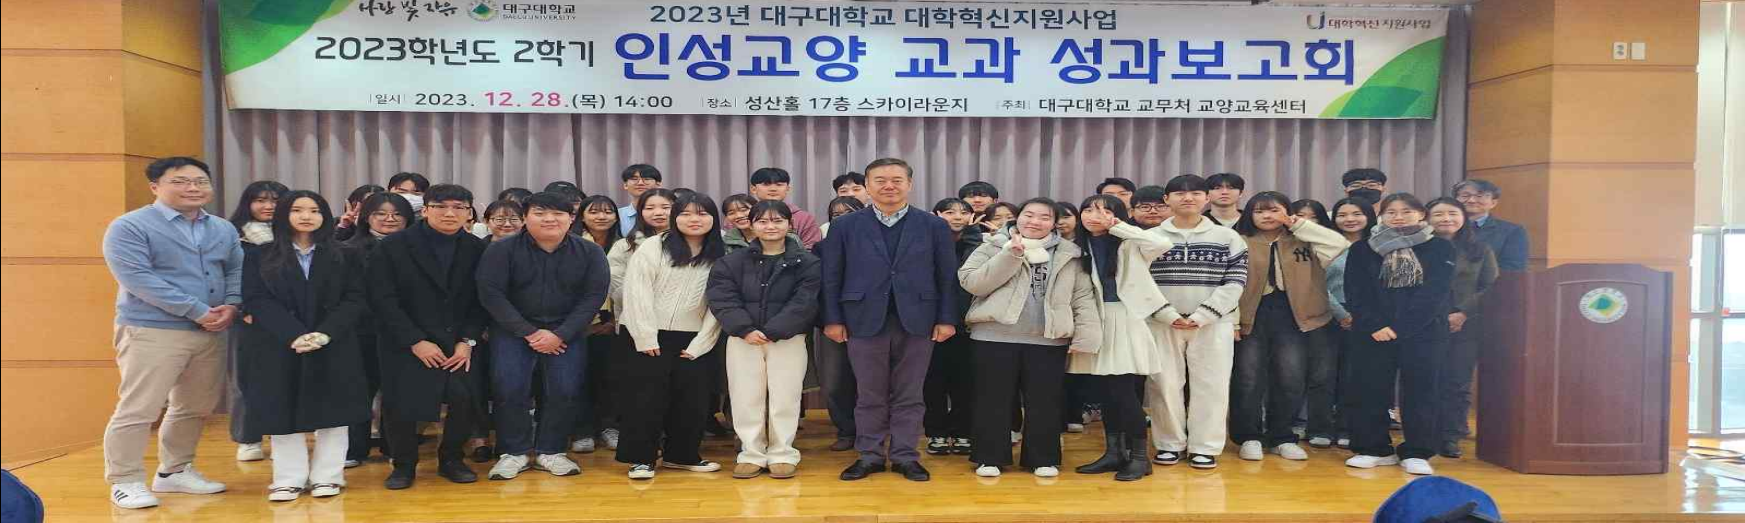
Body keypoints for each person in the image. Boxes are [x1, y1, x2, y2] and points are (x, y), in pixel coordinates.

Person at [100, 157, 240, 509]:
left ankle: (174, 470)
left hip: (210, 331)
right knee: (139, 408)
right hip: (152, 329)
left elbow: (235, 269)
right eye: (180, 181)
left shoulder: (221, 228)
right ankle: (125, 480)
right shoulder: (130, 226)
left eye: (200, 181)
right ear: (155, 187)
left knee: (194, 406)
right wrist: (198, 311)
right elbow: (138, 279)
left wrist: (232, 304)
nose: (193, 188)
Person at [818, 158, 960, 482]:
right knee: (869, 394)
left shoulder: (934, 225)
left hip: (919, 319)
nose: (889, 186)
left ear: (910, 184)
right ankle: (869, 455)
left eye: (897, 179)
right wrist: (832, 319)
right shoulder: (845, 226)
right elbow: (831, 276)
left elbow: (946, 276)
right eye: (880, 180)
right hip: (862, 319)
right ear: (867, 186)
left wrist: (947, 318)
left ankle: (905, 456)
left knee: (910, 393)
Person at [238, 190, 372, 501]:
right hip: (279, 343)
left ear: (325, 216)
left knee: (335, 412)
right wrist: (293, 334)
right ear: (284, 215)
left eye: (314, 210)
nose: (306, 216)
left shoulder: (345, 254)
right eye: (297, 210)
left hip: (333, 342)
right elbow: (256, 298)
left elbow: (356, 298)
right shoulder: (260, 254)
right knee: (282, 408)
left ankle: (328, 476)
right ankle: (288, 479)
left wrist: (325, 333)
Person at [958, 198, 1101, 478]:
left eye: (1044, 217)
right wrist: (1010, 255)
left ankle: (1042, 457)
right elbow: (972, 283)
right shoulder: (992, 245)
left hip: (1049, 339)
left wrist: (1085, 336)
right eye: (1029, 215)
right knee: (992, 400)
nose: (1035, 222)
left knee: (1045, 401)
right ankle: (989, 457)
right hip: (993, 336)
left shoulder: (1070, 253)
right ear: (1018, 217)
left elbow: (1082, 296)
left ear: (1054, 223)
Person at [476, 192, 611, 480]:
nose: (549, 219)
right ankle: (513, 452)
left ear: (571, 218)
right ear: (525, 218)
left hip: (566, 332)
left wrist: (561, 334)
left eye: (558, 213)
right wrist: (530, 332)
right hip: (513, 331)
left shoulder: (590, 252)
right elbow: (491, 294)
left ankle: (552, 450)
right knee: (509, 389)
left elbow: (593, 296)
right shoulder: (501, 250)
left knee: (564, 389)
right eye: (540, 213)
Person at [366, 183, 488, 490]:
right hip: (405, 340)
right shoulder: (394, 246)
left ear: (469, 213)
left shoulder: (477, 248)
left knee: (463, 399)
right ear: (426, 210)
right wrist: (414, 341)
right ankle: (404, 464)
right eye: (441, 206)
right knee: (401, 404)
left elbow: (482, 300)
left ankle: (452, 459)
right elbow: (382, 299)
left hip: (458, 342)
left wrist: (468, 341)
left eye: (459, 207)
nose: (450, 213)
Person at [1230, 192, 1350, 463]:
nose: (1267, 216)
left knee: (1291, 377)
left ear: (1287, 212)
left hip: (1294, 315)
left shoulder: (1304, 239)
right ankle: (1249, 436)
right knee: (1247, 378)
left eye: (1274, 210)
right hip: (1251, 313)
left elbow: (1339, 244)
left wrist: (1297, 224)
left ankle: (1281, 436)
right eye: (1259, 211)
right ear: (1249, 214)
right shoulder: (1238, 240)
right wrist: (1233, 320)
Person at [706, 200, 822, 479]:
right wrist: (744, 328)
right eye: (763, 221)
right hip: (743, 338)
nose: (770, 226)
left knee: (786, 396)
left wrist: (774, 330)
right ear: (752, 224)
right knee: (745, 396)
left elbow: (805, 301)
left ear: (789, 224)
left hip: (788, 339)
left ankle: (783, 453)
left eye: (777, 220)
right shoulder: (731, 261)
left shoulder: (808, 262)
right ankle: (751, 453)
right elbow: (722, 298)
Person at [1343, 193, 1455, 476]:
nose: (1398, 217)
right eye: (1391, 212)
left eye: (1406, 211)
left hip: (1424, 331)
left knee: (1421, 391)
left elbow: (1435, 294)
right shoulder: (1363, 249)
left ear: (1421, 214)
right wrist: (1375, 325)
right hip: (1373, 332)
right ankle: (1373, 448)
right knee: (1369, 389)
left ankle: (1417, 451)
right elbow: (1355, 292)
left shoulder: (1439, 248)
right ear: (1381, 216)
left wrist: (1401, 327)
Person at [1141, 174, 1249, 470]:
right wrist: (1167, 314)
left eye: (1195, 193)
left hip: (1214, 323)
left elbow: (1235, 282)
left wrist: (1203, 315)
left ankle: (1205, 447)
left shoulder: (1228, 237)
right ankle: (1169, 444)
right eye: (1179, 193)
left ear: (1206, 198)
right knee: (1163, 385)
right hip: (1162, 322)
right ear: (1167, 199)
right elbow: (1139, 281)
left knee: (1212, 385)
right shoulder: (1151, 238)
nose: (1187, 198)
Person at [618, 192, 727, 479]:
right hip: (645, 334)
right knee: (645, 399)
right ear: (675, 217)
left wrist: (702, 342)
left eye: (702, 213)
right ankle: (641, 458)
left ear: (713, 219)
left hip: (692, 337)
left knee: (692, 401)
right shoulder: (654, 246)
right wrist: (645, 336)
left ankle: (682, 455)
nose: (694, 219)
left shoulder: (721, 254)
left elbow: (720, 303)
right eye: (686, 213)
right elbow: (636, 291)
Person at [1065, 195, 1173, 481]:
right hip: (1093, 321)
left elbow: (1162, 244)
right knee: (1105, 394)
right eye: (1088, 209)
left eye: (1104, 211)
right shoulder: (1077, 246)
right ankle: (1114, 453)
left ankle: (1140, 457)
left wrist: (1117, 227)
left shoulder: (1129, 243)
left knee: (1124, 393)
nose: (1094, 215)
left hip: (1124, 319)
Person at [339, 192, 413, 465]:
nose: (389, 219)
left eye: (397, 214)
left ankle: (395, 447)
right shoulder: (348, 249)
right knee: (360, 390)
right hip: (362, 330)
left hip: (404, 331)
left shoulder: (415, 248)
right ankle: (354, 449)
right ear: (366, 217)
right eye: (380, 213)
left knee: (398, 392)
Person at [1426, 197, 1498, 459]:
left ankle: (1451, 436)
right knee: (1426, 379)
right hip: (1424, 323)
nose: (1446, 219)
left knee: (1457, 382)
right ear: (1427, 219)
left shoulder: (1479, 249)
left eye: (1452, 213)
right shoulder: (1419, 248)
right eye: (1438, 214)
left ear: (1463, 218)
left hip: (1465, 325)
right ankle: (1424, 433)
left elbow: (1491, 285)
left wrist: (1463, 312)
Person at [225, 180, 288, 463]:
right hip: (249, 317)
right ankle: (248, 438)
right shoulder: (233, 235)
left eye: (275, 200)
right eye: (261, 200)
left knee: (284, 379)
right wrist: (242, 307)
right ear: (248, 203)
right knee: (247, 380)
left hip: (289, 316)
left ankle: (281, 434)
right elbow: (227, 275)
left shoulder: (296, 234)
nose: (269, 206)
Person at [923, 198, 983, 456]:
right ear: (936, 214)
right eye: (949, 212)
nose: (958, 217)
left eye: (964, 212)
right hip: (931, 322)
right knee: (933, 381)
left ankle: (963, 432)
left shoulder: (980, 243)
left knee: (966, 381)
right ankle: (936, 432)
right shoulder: (926, 240)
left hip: (969, 323)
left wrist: (973, 235)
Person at [1321, 197, 1377, 449]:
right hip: (1327, 313)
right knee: (1324, 374)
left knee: (1355, 375)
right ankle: (1321, 426)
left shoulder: (1378, 245)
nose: (1350, 219)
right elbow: (1315, 283)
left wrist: (1363, 315)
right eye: (1342, 215)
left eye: (1357, 213)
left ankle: (1347, 426)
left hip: (1367, 317)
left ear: (1368, 216)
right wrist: (1340, 313)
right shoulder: (1325, 245)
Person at [572, 195, 625, 452]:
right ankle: (581, 430)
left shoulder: (625, 244)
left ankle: (609, 427)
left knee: (612, 378)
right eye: (594, 212)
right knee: (578, 379)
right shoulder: (571, 243)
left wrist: (615, 320)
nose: (601, 216)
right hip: (576, 324)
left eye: (607, 211)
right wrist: (581, 323)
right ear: (582, 216)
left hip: (615, 323)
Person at [813, 195, 866, 451]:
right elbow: (820, 289)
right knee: (835, 382)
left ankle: (872, 431)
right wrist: (830, 320)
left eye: (850, 212)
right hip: (833, 322)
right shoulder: (821, 248)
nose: (843, 218)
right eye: (836, 215)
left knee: (872, 381)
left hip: (871, 322)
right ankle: (846, 430)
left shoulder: (879, 244)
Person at [1453, 179, 1528, 272]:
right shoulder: (1444, 227)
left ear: (1493, 203)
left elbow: (1513, 268)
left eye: (1479, 196)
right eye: (1465, 196)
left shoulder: (1512, 231)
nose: (1471, 200)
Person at [616, 164, 664, 235]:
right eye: (634, 179)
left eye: (647, 179)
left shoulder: (669, 213)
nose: (640, 183)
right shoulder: (617, 215)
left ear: (658, 185)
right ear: (625, 185)